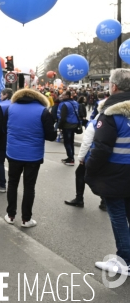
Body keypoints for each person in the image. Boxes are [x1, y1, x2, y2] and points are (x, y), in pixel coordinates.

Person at [85, 68, 130, 275]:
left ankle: (124, 261)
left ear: (113, 86)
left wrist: (89, 170)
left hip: (116, 173)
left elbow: (101, 147)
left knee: (118, 216)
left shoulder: (111, 113)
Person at [4, 89, 57, 228]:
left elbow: (4, 128)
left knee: (12, 183)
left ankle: (10, 215)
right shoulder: (43, 111)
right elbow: (51, 136)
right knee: (29, 187)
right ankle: (26, 219)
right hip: (33, 155)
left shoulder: (10, 108)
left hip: (13, 153)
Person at [64, 105, 106, 211]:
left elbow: (86, 142)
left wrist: (81, 157)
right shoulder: (118, 122)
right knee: (103, 177)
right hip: (108, 157)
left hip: (92, 156)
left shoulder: (94, 123)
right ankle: (104, 201)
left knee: (80, 174)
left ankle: (79, 199)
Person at [57, 91, 81, 166]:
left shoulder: (65, 104)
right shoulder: (75, 103)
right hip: (74, 124)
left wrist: (60, 126)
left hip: (67, 125)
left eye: (63, 95)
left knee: (67, 142)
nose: (62, 96)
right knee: (71, 142)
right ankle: (70, 157)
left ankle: (71, 159)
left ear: (67, 96)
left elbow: (63, 117)